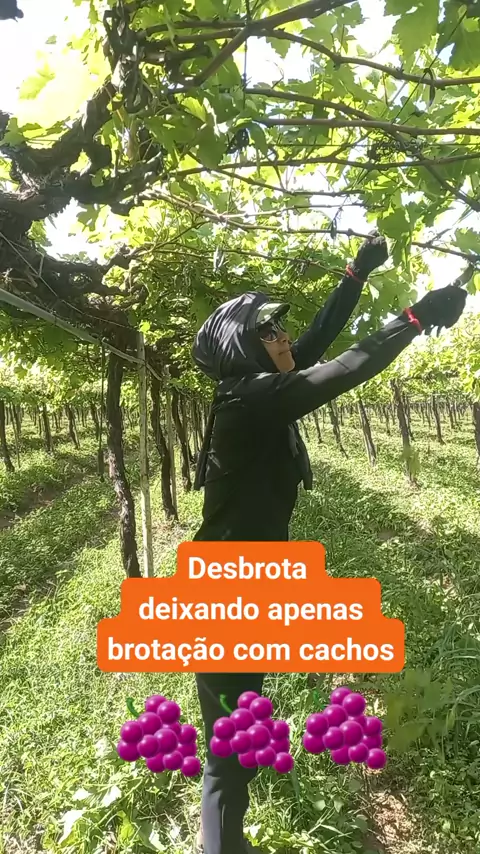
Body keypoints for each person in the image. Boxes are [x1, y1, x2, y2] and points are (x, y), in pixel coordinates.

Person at [190, 234, 466, 854]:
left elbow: (316, 344)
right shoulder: (249, 400)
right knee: (228, 761)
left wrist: (354, 275)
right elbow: (343, 369)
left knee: (240, 733)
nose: (284, 337)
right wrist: (414, 317)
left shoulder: (261, 388)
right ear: (240, 347)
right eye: (269, 331)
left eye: (279, 328)